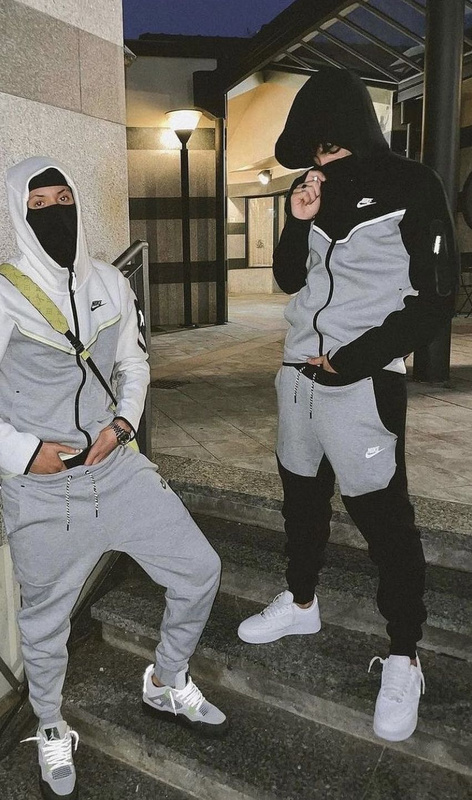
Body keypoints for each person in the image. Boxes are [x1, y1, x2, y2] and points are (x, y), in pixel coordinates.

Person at [0, 156, 226, 799]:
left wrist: (122, 424)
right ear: (19, 212)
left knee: (199, 570)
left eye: (62, 198)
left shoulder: (110, 282)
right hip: (44, 493)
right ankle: (49, 725)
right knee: (45, 623)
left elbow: (134, 364)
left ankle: (166, 679)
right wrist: (22, 453)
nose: (54, 212)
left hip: (119, 470)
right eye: (38, 204)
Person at [237, 68, 457, 743]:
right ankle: (302, 601)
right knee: (300, 500)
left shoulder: (412, 185)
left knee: (385, 520)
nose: (324, 163)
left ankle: (404, 654)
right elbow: (288, 279)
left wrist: (355, 358)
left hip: (363, 384)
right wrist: (297, 220)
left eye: (333, 148)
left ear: (358, 132)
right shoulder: (312, 190)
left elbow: (438, 297)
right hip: (296, 378)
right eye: (315, 152)